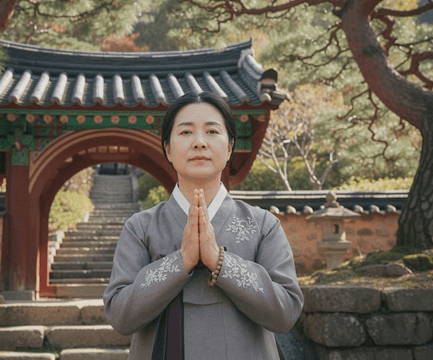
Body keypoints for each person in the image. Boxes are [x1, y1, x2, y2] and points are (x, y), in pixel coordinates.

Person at [103, 91, 304, 359]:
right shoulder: (140, 228)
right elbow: (120, 316)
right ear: (168, 150)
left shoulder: (263, 225)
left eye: (212, 131)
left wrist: (220, 261)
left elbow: (286, 312)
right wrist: (181, 261)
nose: (199, 143)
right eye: (186, 133)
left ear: (230, 147)